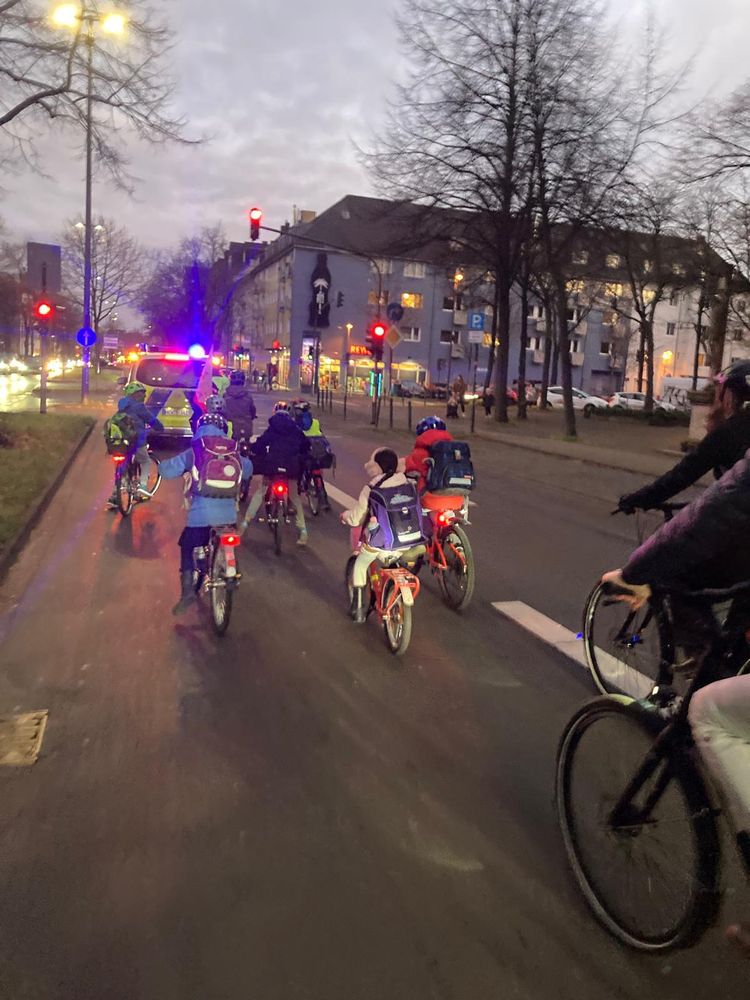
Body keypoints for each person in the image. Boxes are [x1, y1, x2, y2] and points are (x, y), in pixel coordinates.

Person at [601, 444, 750, 955]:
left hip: (719, 540)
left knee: (710, 711)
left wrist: (638, 568)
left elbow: (718, 501)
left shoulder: (729, 426)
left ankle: (699, 659)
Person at [618, 360, 750, 514]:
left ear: (729, 396)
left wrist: (638, 499)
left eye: (717, 393)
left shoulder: (728, 433)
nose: (714, 401)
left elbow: (683, 474)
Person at [159, 411, 252, 615]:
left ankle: (187, 593)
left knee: (186, 545)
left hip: (200, 518)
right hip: (228, 517)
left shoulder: (195, 450)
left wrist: (160, 466)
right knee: (229, 537)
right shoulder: (232, 449)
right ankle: (229, 569)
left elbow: (167, 470)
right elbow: (248, 470)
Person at [340, 448, 425, 623]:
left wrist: (345, 516)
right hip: (410, 540)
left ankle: (358, 610)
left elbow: (356, 519)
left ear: (377, 467)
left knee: (360, 564)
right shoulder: (409, 483)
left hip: (383, 543)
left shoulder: (371, 488)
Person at [242, 400, 311, 545]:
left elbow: (261, 444)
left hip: (273, 466)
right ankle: (303, 531)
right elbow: (306, 445)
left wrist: (253, 450)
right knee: (294, 497)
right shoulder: (296, 429)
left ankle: (245, 524)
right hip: (291, 467)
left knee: (261, 492)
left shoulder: (272, 428)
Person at [106, 380, 164, 508]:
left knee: (122, 465)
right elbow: (152, 420)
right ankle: (142, 487)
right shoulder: (139, 407)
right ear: (134, 395)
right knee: (145, 461)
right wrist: (160, 428)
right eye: (141, 393)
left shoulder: (122, 405)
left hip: (120, 441)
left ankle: (115, 496)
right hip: (137, 441)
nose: (144, 396)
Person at [404, 415, 453, 492]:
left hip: (429, 496)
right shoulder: (452, 450)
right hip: (456, 496)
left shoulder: (418, 453)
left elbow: (405, 466)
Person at [223, 370, 257, 442]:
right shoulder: (248, 395)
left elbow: (223, 410)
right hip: (246, 427)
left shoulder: (225, 395)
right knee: (248, 444)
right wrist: (252, 416)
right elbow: (252, 409)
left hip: (230, 427)